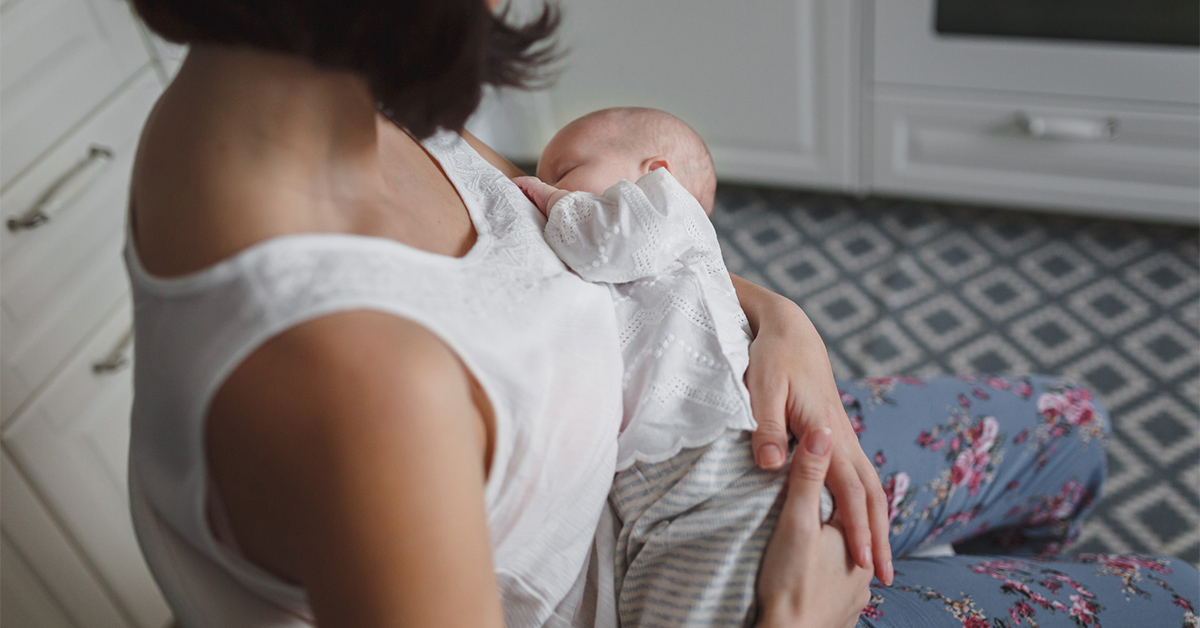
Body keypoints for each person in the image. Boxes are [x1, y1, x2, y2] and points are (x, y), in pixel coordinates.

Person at [121, 1, 1196, 627]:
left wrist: (774, 317)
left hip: (700, 436)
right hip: (688, 583)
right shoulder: (355, 384)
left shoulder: (327, 100)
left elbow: (553, 234)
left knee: (1069, 428)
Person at [516, 108, 1200, 628]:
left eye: (564, 173)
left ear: (656, 176)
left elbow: (603, 242)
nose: (545, 183)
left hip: (709, 482)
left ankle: (996, 562)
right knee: (1181, 599)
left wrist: (784, 320)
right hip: (675, 523)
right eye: (549, 179)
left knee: (1075, 426)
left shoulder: (651, 214)